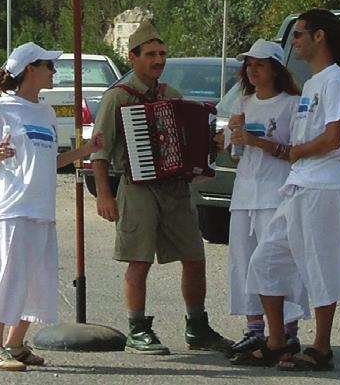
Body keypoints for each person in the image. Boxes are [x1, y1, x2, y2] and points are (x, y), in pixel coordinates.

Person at [91, 20, 233, 355]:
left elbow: (192, 136)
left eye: (162, 54)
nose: (159, 60)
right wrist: (105, 196)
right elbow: (98, 151)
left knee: (194, 257)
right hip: (138, 187)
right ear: (133, 57)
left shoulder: (171, 95)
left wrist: (209, 145)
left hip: (176, 188)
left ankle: (197, 326)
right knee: (139, 259)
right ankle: (137, 327)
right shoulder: (117, 98)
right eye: (151, 54)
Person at [241, 9, 340, 371]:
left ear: (319, 36)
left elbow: (333, 137)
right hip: (299, 183)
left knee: (320, 262)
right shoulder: (312, 84)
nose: (293, 42)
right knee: (265, 261)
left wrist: (295, 152)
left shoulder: (335, 81)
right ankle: (277, 341)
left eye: (297, 35)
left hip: (324, 184)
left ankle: (321, 347)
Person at [0, 42, 104, 372]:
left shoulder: (45, 111)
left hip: (42, 209)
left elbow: (49, 161)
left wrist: (85, 149)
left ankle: (15, 344)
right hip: (12, 208)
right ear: (31, 69)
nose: (54, 71)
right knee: (6, 276)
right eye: (49, 65)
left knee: (36, 278)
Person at [220, 39, 309, 364]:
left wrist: (257, 141)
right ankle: (254, 328)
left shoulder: (291, 104)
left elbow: (295, 152)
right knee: (244, 263)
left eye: (259, 64)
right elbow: (234, 155)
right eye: (249, 64)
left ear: (275, 68)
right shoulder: (243, 103)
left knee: (276, 262)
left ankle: (287, 330)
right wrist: (231, 141)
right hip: (245, 194)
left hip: (277, 193)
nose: (252, 70)